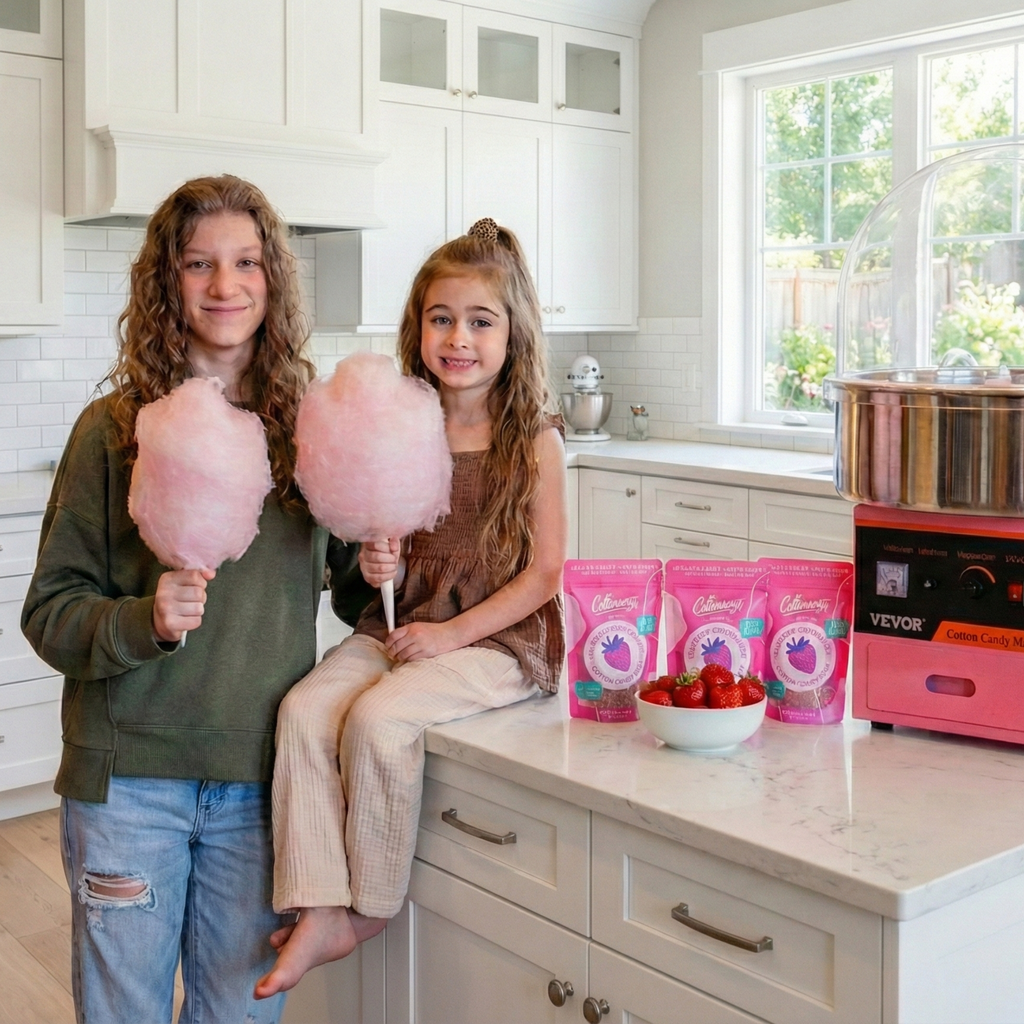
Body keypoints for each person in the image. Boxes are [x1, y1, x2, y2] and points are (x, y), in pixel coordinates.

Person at [21, 175, 371, 1024]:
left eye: (247, 262)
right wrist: (147, 619)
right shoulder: (113, 431)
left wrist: (380, 559)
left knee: (237, 1013)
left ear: (273, 279)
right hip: (128, 789)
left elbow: (362, 604)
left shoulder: (313, 433)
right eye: (198, 263)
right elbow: (49, 611)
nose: (225, 285)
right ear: (165, 282)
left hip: (262, 782)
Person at [255, 217, 567, 998]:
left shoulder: (533, 441)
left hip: (499, 643)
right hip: (397, 626)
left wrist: (449, 636)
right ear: (417, 328)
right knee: (301, 711)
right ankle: (320, 898)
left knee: (378, 721)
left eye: (479, 321)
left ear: (513, 334)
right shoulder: (402, 424)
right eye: (441, 319)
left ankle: (371, 906)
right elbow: (380, 550)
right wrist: (374, 557)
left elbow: (546, 575)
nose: (458, 337)